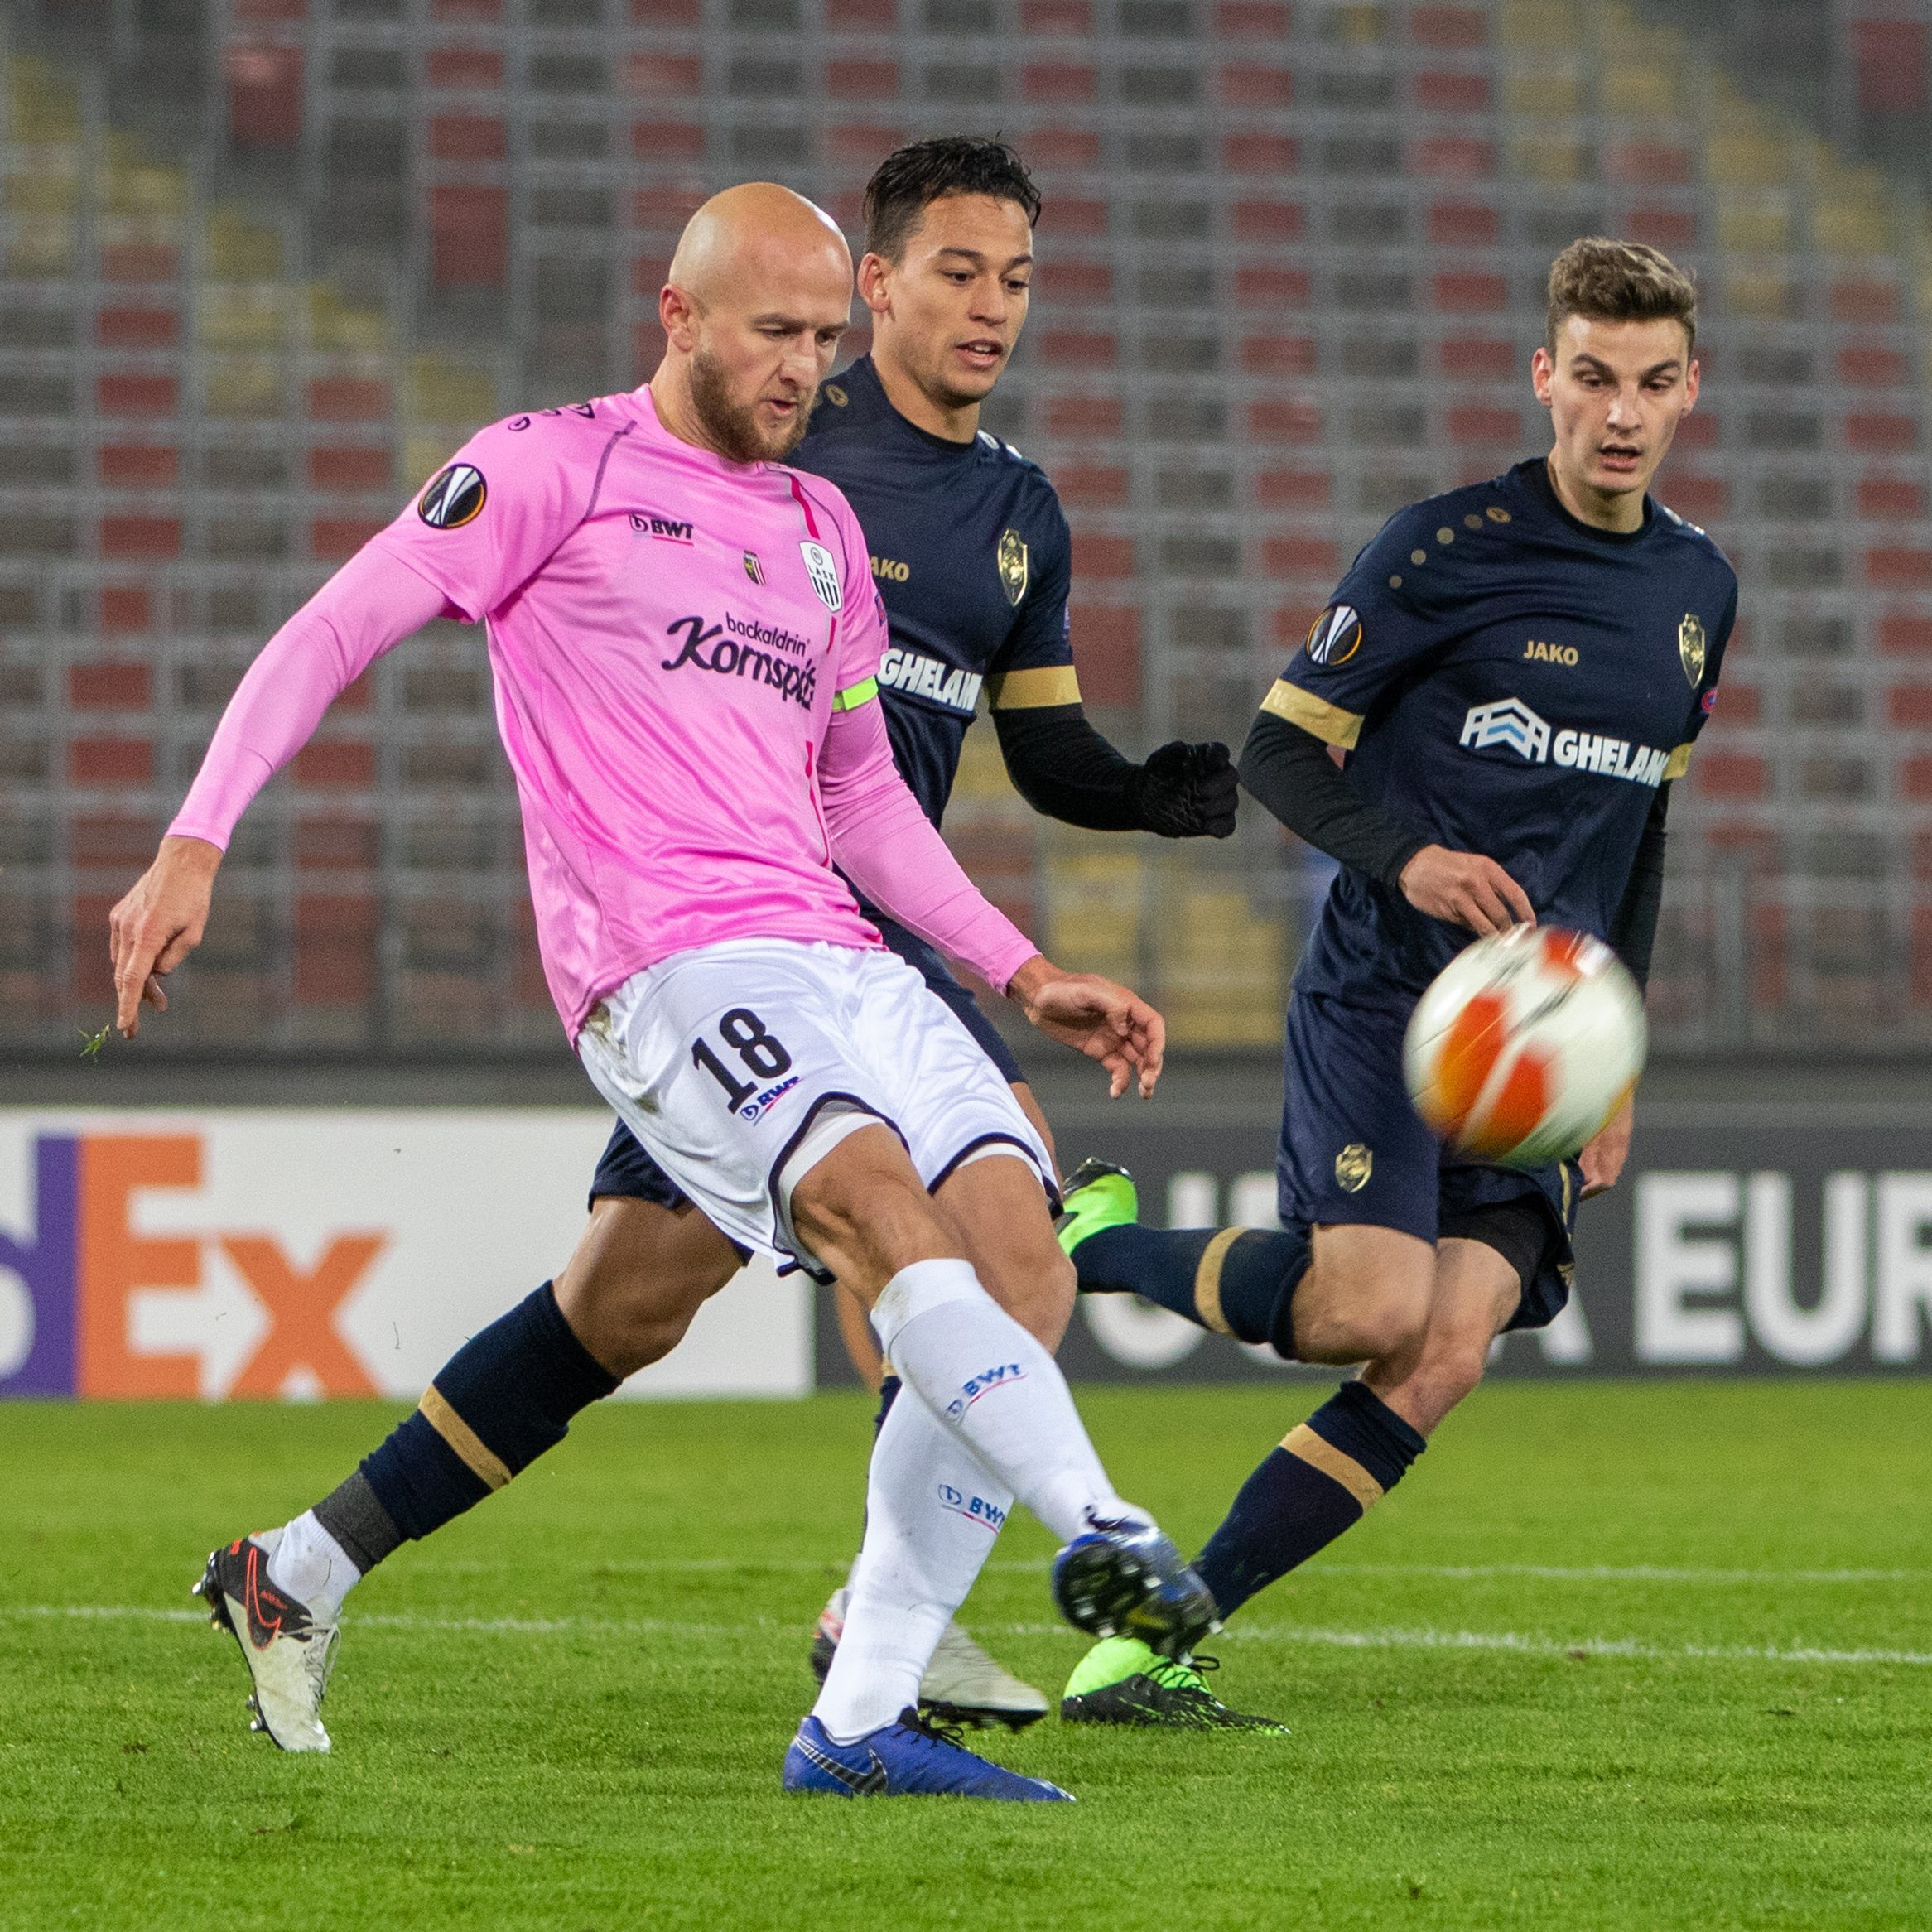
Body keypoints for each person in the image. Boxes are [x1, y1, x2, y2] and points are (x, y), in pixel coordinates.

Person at [112, 181, 1214, 1798]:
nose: (805, 369)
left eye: (824, 339)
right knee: (875, 1213)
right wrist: (194, 841)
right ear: (677, 314)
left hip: (841, 956)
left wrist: (1020, 965)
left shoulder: (821, 529)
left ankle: (321, 1574)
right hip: (671, 966)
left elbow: (860, 798)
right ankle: (1099, 1531)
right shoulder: (550, 468)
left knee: (978, 1245)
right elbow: (334, 629)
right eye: (776, 333)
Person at [1055, 237, 1737, 1727]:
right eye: (1593, 378)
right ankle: (1095, 1245)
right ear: (1543, 376)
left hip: (1535, 1033)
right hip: (1388, 995)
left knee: (1443, 1352)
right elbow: (1276, 750)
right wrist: (1409, 857)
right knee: (1366, 1308)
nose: (1620, 413)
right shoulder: (1440, 550)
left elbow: (1641, 830)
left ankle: (1153, 1638)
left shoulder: (1698, 587)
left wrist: (1614, 1052)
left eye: (1652, 382)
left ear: (1691, 388)